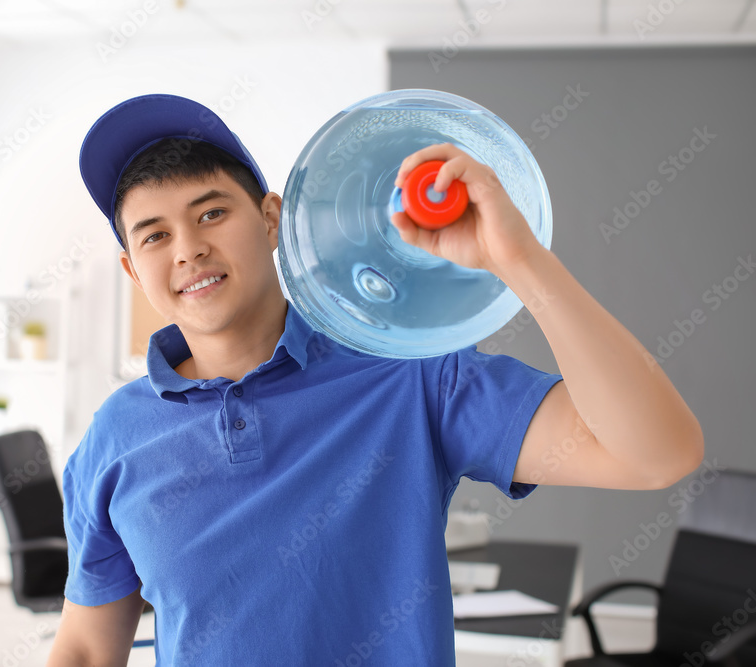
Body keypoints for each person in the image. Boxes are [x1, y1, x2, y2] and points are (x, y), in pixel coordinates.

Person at [46, 93, 704, 666]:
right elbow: (85, 648)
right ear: (134, 269)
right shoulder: (115, 435)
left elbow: (655, 452)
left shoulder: (407, 372)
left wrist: (519, 259)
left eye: (211, 212)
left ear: (272, 218)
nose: (188, 248)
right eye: (154, 235)